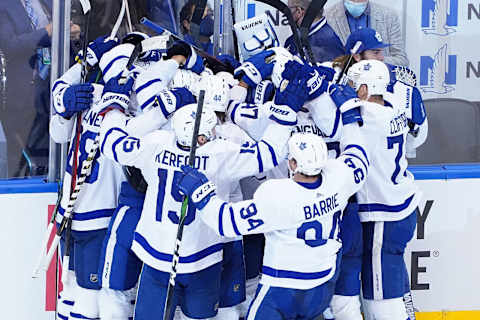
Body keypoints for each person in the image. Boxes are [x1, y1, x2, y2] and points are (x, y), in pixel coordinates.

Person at [98, 57, 305, 320]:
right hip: (203, 256)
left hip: (156, 254)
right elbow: (268, 154)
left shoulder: (156, 143)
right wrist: (285, 115)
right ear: (206, 135)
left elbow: (111, 143)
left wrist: (114, 105)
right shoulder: (221, 152)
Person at [175, 79, 370, 318]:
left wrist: (201, 193)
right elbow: (358, 155)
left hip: (282, 287)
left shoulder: (277, 195)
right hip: (322, 285)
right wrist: (350, 115)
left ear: (293, 163)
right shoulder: (339, 180)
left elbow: (227, 222)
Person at [0, 0, 80, 176]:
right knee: (22, 157)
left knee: (56, 145)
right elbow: (10, 46)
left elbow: (60, 32)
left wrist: (72, 33)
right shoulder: (4, 5)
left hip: (54, 86)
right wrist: (47, 32)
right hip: (26, 92)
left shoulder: (52, 3)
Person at [325, 0, 408, 66]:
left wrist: (372, 63)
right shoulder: (327, 18)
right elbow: (323, 61)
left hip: (379, 83)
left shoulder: (389, 16)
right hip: (341, 84)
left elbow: (402, 60)